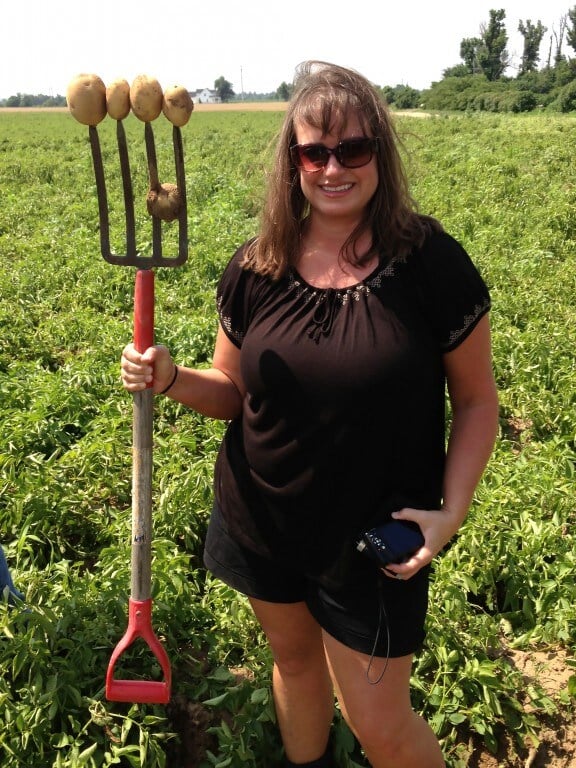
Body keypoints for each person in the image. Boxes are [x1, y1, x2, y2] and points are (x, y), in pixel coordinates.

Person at [121, 61, 499, 768]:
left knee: (380, 723)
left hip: (377, 540)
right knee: (294, 666)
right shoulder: (257, 265)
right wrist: (170, 378)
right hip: (261, 520)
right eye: (314, 152)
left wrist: (452, 511)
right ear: (291, 162)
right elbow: (232, 392)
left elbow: (477, 401)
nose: (333, 168)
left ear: (379, 156)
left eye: (353, 150)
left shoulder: (430, 263)